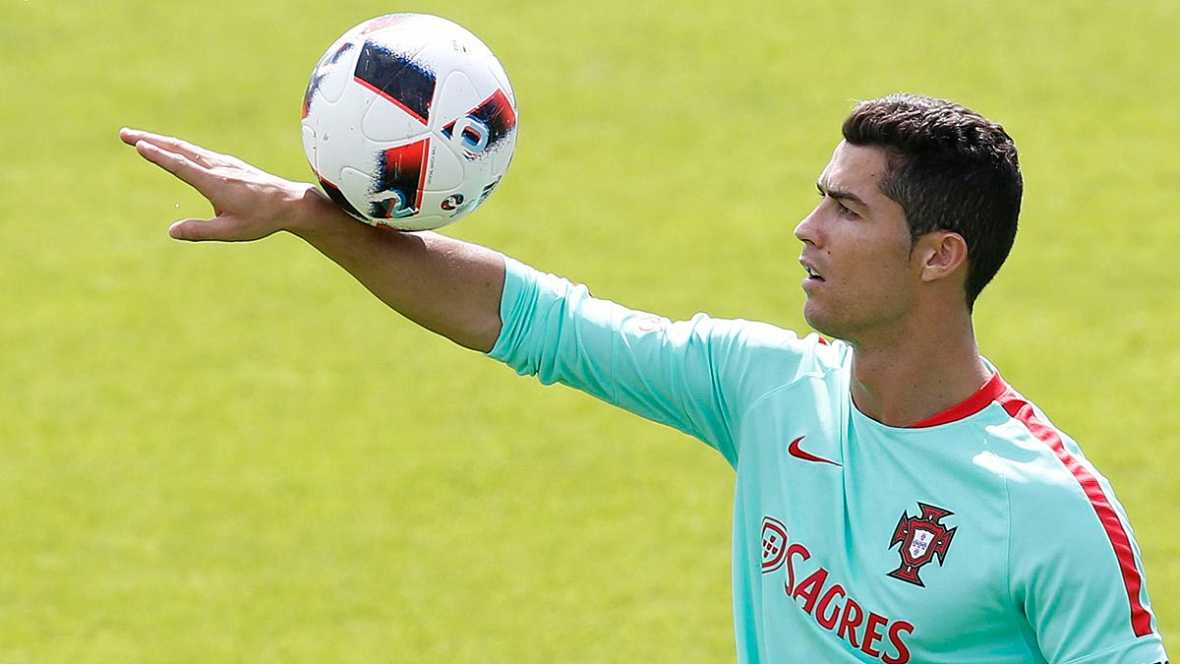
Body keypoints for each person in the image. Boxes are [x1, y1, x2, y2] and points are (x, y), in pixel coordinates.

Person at [120, 93, 1168, 663]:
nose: (805, 229)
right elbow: (528, 319)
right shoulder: (765, 388)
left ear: (939, 255)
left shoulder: (1047, 509)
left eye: (847, 211)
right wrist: (307, 215)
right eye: (820, 196)